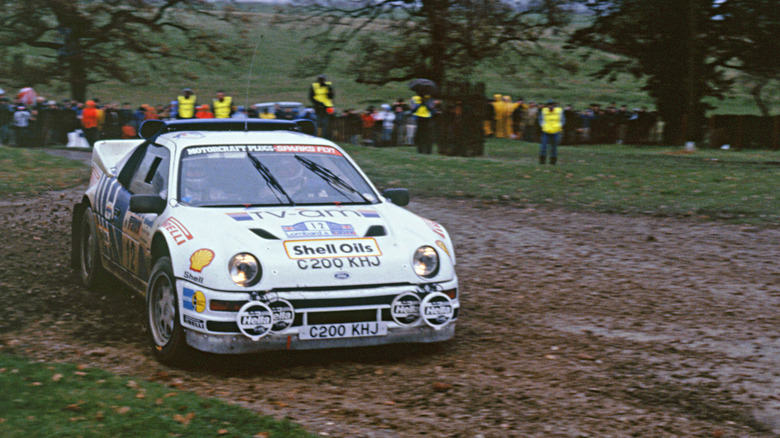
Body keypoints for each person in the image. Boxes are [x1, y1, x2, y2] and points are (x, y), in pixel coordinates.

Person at [538, 100, 565, 165]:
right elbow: (540, 119)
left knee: (554, 147)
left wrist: (559, 126)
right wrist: (543, 125)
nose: (551, 106)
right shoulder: (544, 110)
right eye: (549, 105)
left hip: (555, 131)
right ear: (547, 105)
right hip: (546, 131)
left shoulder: (559, 110)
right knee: (543, 147)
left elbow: (563, 120)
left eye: (552, 105)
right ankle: (542, 161)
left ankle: (553, 161)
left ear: (554, 105)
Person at [308, 74, 334, 139]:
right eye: (320, 79)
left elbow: (331, 96)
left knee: (326, 123)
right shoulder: (314, 86)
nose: (321, 81)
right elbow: (311, 97)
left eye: (322, 79)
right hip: (318, 107)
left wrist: (330, 91)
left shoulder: (329, 86)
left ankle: (325, 137)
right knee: (318, 122)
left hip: (327, 107)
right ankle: (316, 136)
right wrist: (318, 103)